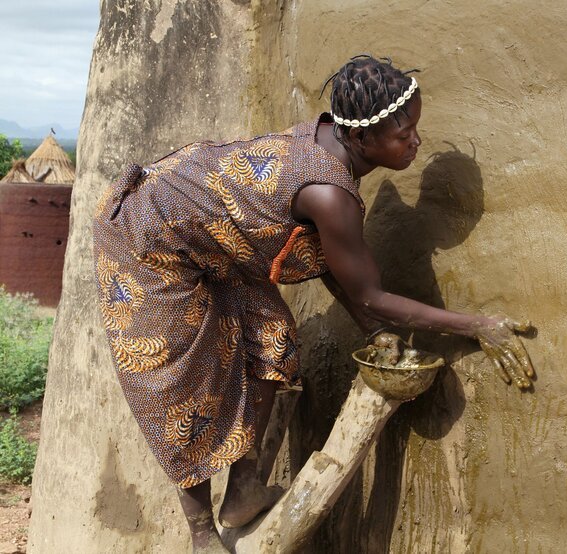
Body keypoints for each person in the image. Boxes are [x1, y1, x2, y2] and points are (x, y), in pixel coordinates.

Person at [92, 55, 534, 553]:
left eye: (416, 129)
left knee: (273, 334)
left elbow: (329, 261)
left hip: (206, 239)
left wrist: (372, 329)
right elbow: (370, 292)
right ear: (362, 138)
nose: (415, 142)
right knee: (178, 385)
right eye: (403, 133)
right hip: (144, 240)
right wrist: (476, 325)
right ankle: (201, 536)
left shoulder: (331, 143)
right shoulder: (329, 191)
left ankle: (243, 489)